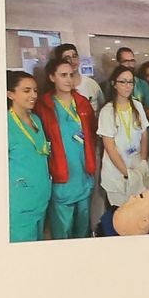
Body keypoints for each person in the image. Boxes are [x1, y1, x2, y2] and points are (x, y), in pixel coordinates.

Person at [37, 55, 97, 240]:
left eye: (71, 75)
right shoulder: (43, 106)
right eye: (63, 75)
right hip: (61, 178)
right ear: (52, 77)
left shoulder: (82, 103)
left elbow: (92, 134)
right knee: (62, 233)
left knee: (82, 230)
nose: (68, 80)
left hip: (83, 176)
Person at [97, 65, 149, 212]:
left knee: (141, 213)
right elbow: (109, 147)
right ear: (114, 84)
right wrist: (126, 173)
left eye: (130, 82)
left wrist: (142, 161)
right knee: (121, 215)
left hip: (137, 165)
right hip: (117, 172)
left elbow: (144, 135)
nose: (127, 86)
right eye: (123, 82)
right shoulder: (107, 111)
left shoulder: (137, 105)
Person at [6, 69, 50, 243]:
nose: (33, 95)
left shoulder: (36, 120)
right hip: (20, 203)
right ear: (11, 94)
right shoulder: (5, 125)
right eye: (26, 91)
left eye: (35, 90)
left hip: (40, 199)